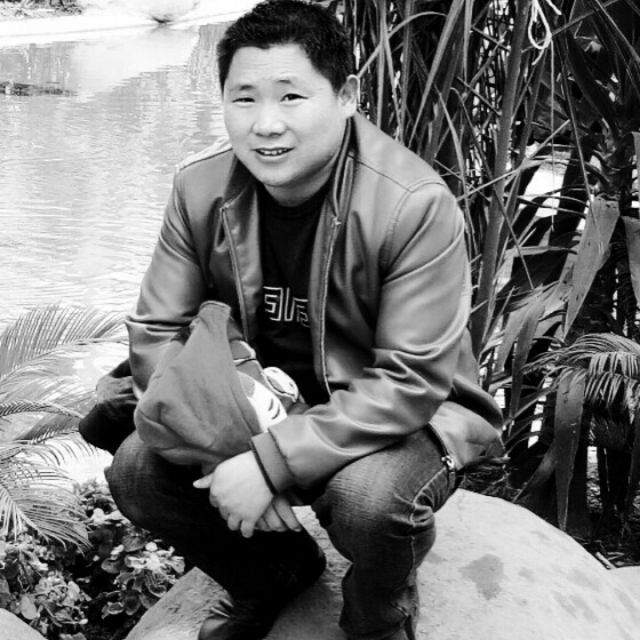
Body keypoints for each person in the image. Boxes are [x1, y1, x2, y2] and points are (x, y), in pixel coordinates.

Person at [105, 2, 503, 639]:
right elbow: (158, 332)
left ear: (347, 96)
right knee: (136, 470)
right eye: (244, 99)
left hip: (406, 412)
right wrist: (231, 448)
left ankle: (378, 617)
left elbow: (409, 381)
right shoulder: (199, 189)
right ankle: (274, 575)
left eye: (291, 96)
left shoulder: (412, 204)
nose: (266, 124)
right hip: (258, 400)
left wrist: (271, 464)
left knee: (368, 502)